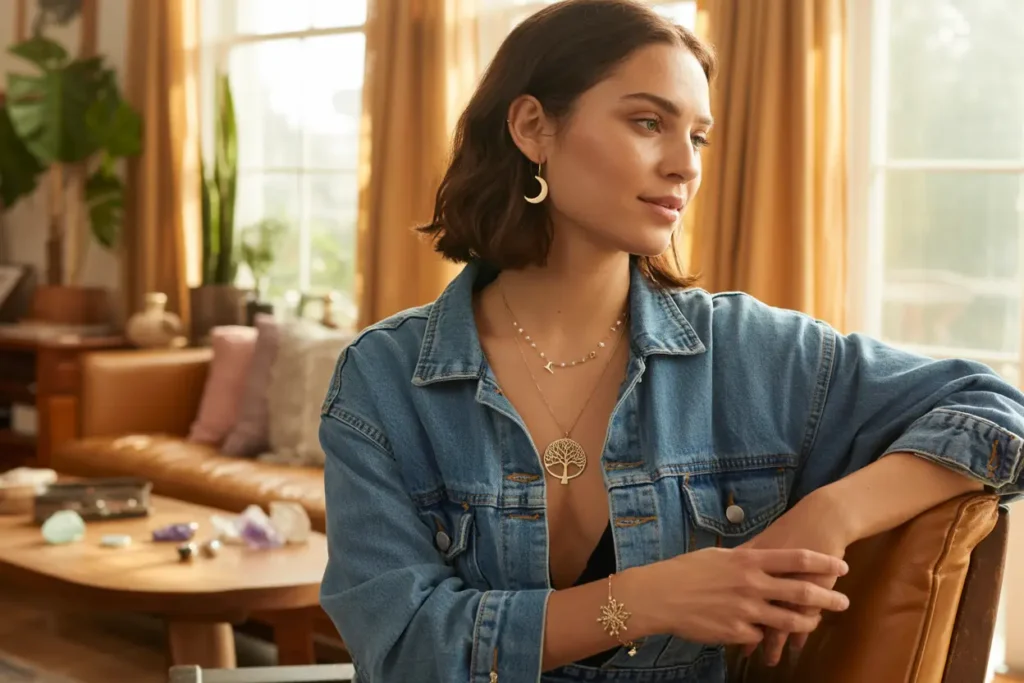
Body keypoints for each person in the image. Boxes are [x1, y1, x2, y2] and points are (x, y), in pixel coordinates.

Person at [318, 1, 1024, 681]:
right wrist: (643, 600)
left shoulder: (750, 355)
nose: (685, 165)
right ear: (533, 127)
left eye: (698, 137)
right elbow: (403, 648)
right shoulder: (384, 378)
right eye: (648, 122)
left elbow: (996, 412)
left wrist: (831, 512)